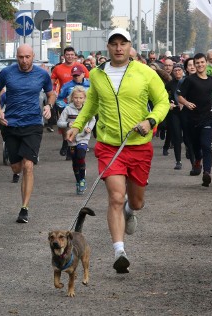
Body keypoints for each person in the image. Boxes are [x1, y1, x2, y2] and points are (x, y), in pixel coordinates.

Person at [66, 28, 169, 274]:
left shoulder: (145, 73)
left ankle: (130, 211)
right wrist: (78, 125)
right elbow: (92, 103)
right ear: (108, 47)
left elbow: (163, 101)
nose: (119, 48)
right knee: (114, 196)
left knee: (136, 201)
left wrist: (150, 121)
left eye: (123, 43)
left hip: (139, 145)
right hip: (110, 145)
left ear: (130, 46)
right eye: (114, 43)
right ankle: (119, 251)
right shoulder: (98, 74)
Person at [0, 44, 56, 224]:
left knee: (28, 166)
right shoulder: (7, 73)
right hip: (11, 124)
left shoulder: (42, 74)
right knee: (16, 168)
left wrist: (49, 106)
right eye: (21, 57)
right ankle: (17, 167)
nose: (24, 61)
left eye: (27, 57)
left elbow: (51, 94)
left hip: (33, 124)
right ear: (16, 56)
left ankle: (24, 209)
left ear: (33, 56)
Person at [176, 53, 212, 186]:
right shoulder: (190, 80)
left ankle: (207, 173)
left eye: (202, 62)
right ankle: (198, 160)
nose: (200, 65)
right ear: (194, 65)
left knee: (206, 145)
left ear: (206, 63)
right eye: (197, 63)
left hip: (208, 118)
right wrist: (186, 103)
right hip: (192, 119)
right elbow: (179, 96)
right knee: (196, 146)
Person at [51, 47, 89, 155]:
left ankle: (81, 144)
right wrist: (54, 95)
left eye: (72, 54)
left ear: (75, 56)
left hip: (82, 103)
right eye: (67, 54)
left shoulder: (81, 67)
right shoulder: (58, 68)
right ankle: (66, 142)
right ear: (64, 56)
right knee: (66, 125)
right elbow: (51, 83)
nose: (70, 56)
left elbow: (88, 81)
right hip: (66, 99)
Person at [57, 86, 95, 194]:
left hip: (83, 137)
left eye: (81, 98)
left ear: (85, 99)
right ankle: (78, 181)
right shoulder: (68, 109)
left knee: (81, 156)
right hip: (71, 138)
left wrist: (89, 128)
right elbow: (59, 122)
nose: (78, 100)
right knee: (74, 160)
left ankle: (82, 180)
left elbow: (93, 120)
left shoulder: (87, 108)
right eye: (76, 98)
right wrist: (68, 124)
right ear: (72, 98)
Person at [166, 63, 186, 170]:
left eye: (179, 70)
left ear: (183, 71)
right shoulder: (170, 84)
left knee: (187, 137)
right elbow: (163, 95)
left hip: (187, 112)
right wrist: (169, 103)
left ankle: (190, 152)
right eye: (175, 70)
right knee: (177, 137)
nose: (177, 72)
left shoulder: (188, 82)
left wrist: (186, 103)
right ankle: (178, 161)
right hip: (175, 112)